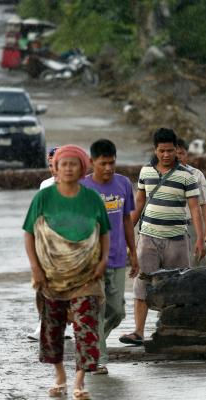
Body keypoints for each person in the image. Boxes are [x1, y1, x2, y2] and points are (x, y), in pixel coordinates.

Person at [23, 144, 110, 398]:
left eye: (74, 164)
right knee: (52, 328)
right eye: (64, 164)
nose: (69, 168)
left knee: (86, 326)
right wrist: (36, 268)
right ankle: (60, 373)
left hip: (87, 276)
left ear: (82, 168)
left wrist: (103, 260)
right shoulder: (43, 197)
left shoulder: (92, 198)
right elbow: (29, 234)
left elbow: (103, 232)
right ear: (56, 169)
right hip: (51, 276)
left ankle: (80, 381)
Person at [120, 128, 206, 346]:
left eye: (170, 151)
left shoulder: (186, 176)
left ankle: (171, 331)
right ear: (155, 150)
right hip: (148, 238)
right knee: (142, 285)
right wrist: (127, 234)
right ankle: (138, 332)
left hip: (177, 239)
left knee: (178, 286)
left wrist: (200, 238)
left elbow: (195, 209)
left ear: (177, 150)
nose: (166, 155)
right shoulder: (145, 172)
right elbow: (138, 204)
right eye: (162, 151)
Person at [81, 139, 139, 374]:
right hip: (92, 261)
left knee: (118, 311)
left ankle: (88, 342)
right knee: (99, 309)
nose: (108, 168)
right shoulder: (83, 188)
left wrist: (133, 252)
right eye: (103, 164)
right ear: (92, 162)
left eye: (112, 163)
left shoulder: (123, 184)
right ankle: (98, 359)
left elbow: (126, 219)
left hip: (117, 258)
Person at [27, 146, 59, 341]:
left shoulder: (82, 186)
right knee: (43, 287)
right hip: (47, 243)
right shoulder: (45, 185)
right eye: (50, 165)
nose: (53, 169)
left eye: (55, 164)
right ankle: (43, 322)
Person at [175, 138, 206, 266]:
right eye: (175, 154)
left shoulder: (197, 175)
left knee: (197, 260)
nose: (178, 157)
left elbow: (205, 203)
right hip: (171, 225)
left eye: (181, 153)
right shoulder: (162, 175)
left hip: (191, 224)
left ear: (187, 154)